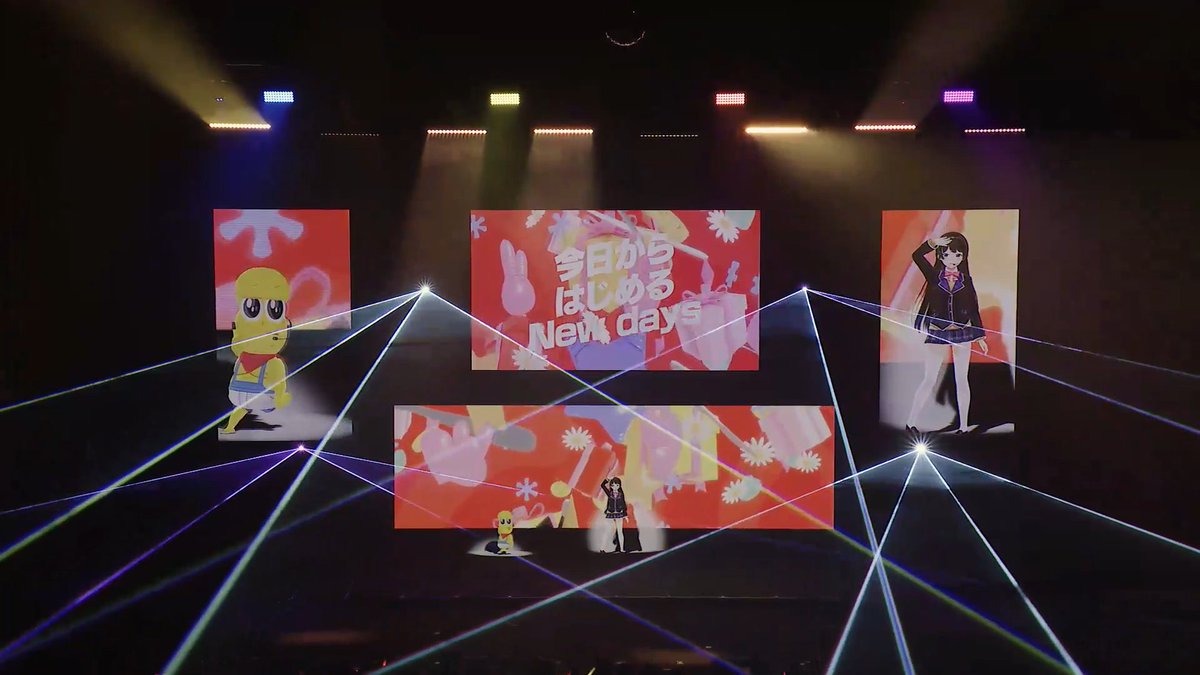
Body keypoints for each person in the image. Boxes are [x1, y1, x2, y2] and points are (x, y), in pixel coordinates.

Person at [905, 232, 989, 434]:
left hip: (963, 332)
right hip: (938, 330)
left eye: (958, 255)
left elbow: (973, 308)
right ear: (940, 256)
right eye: (948, 254)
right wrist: (932, 243)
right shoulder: (934, 276)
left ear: (963, 256)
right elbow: (917, 256)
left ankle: (963, 426)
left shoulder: (966, 280)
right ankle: (910, 423)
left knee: (962, 379)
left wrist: (980, 336)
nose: (953, 259)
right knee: (929, 378)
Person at [600, 477, 628, 553]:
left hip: (619, 514)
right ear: (611, 486)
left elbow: (623, 504)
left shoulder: (621, 494)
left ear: (619, 486)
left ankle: (622, 549)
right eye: (613, 485)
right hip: (610, 513)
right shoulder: (609, 493)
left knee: (620, 532)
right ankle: (602, 549)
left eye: (617, 485)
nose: (615, 487)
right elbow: (602, 485)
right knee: (607, 531)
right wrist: (607, 480)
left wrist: (625, 514)